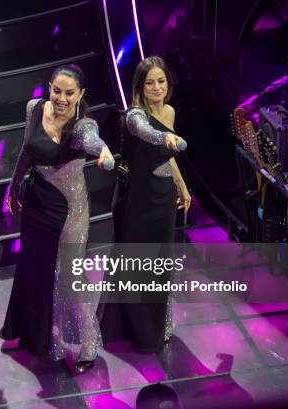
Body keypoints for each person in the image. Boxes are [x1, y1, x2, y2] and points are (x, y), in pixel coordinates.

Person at [0, 64, 115, 373]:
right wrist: (14, 185)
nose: (62, 99)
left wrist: (104, 153)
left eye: (69, 93)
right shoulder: (35, 108)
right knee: (34, 271)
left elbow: (93, 142)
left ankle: (88, 344)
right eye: (57, 90)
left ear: (81, 94)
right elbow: (27, 149)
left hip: (69, 213)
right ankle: (34, 334)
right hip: (36, 204)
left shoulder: (82, 126)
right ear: (49, 87)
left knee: (69, 280)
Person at [98, 56, 191, 353]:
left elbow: (169, 155)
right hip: (136, 199)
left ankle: (160, 323)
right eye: (150, 83)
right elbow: (149, 134)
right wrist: (165, 136)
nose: (156, 88)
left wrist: (182, 186)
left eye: (161, 81)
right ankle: (134, 327)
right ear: (139, 86)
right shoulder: (134, 116)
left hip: (162, 196)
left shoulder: (170, 111)